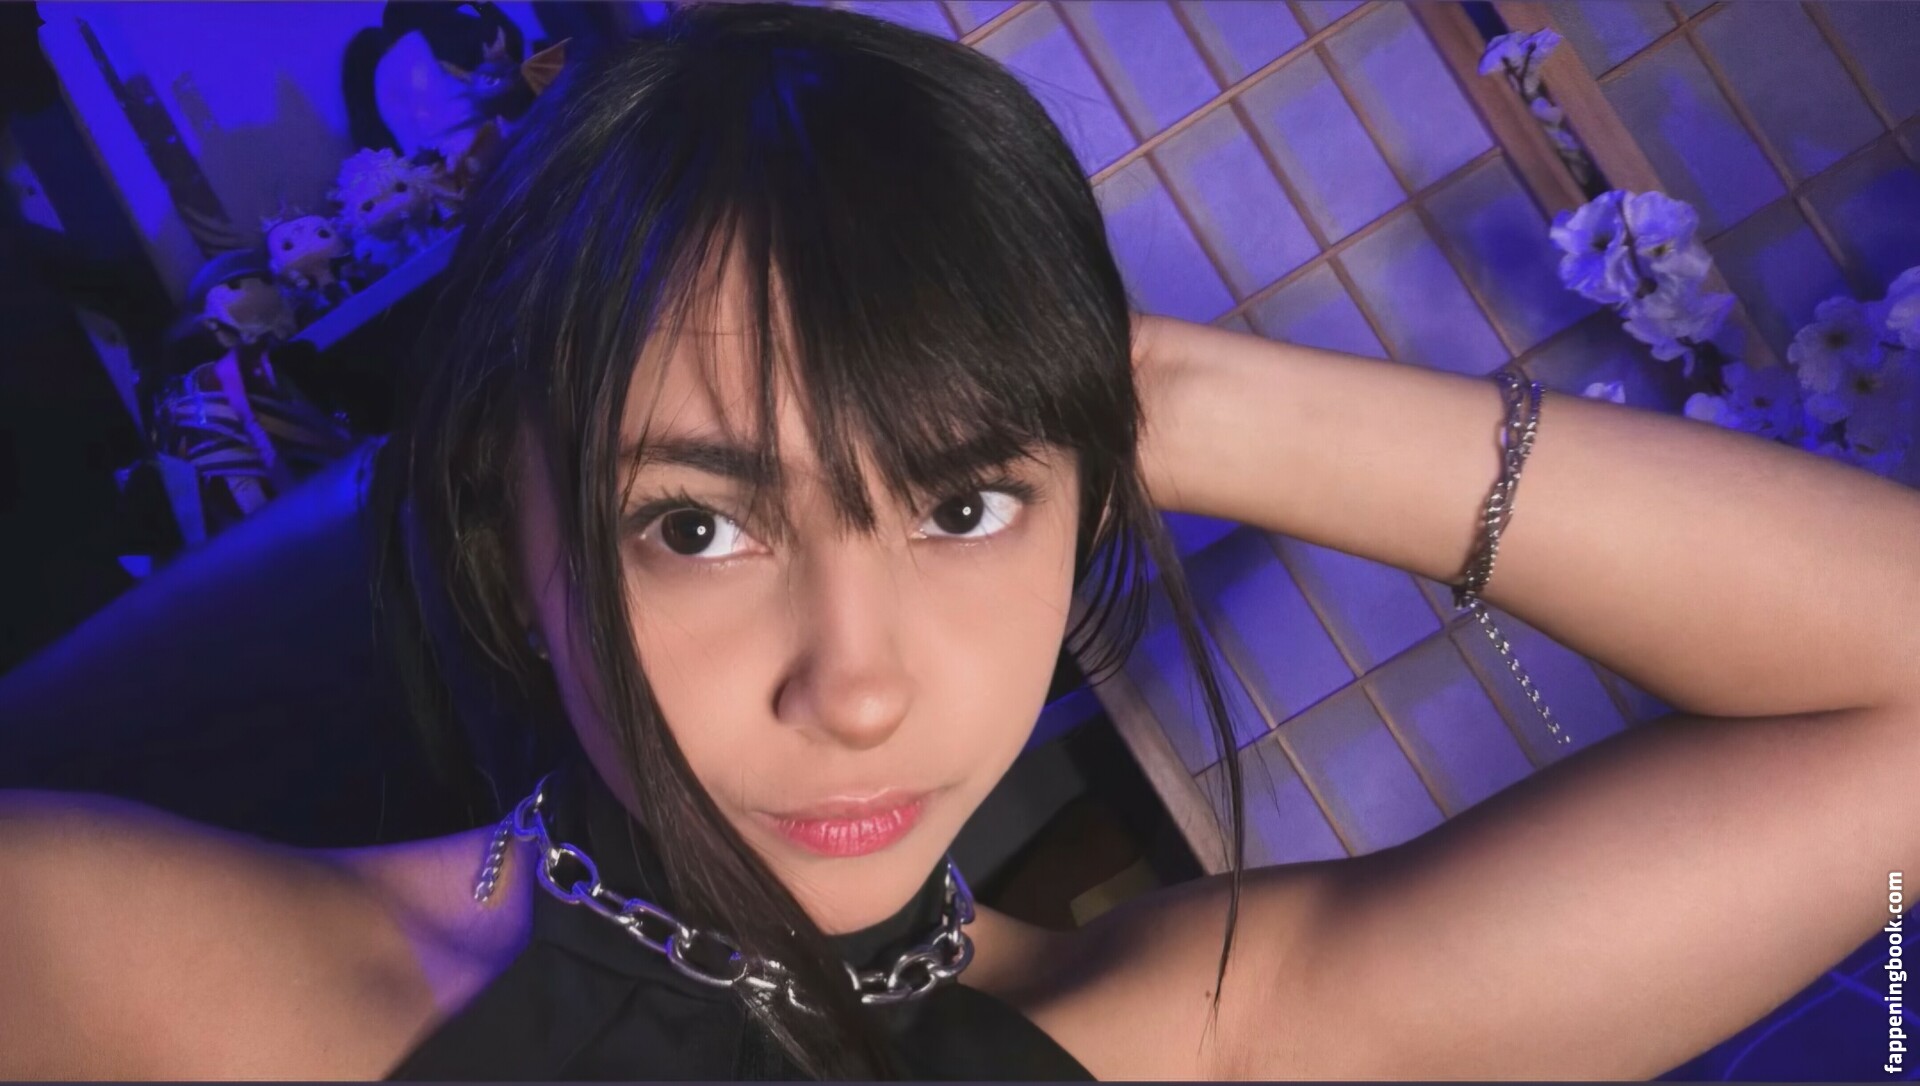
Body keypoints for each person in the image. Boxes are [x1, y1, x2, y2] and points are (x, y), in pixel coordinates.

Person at [3, 3, 1916, 1079]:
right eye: (696, 522)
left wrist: (1164, 389)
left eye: (966, 505)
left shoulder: (1179, 1036)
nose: (861, 687)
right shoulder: (154, 974)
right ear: (514, 538)